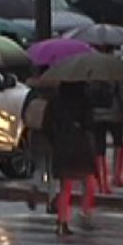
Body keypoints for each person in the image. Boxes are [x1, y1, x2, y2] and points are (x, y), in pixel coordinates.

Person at [44, 81, 98, 236]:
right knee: (88, 180)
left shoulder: (55, 102)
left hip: (62, 146)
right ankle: (85, 212)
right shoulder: (84, 101)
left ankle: (62, 221)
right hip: (81, 147)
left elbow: (46, 125)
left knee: (65, 186)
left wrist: (55, 140)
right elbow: (90, 124)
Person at [86, 47, 123, 194]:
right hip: (114, 113)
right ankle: (117, 176)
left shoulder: (89, 67)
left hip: (96, 114)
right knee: (118, 142)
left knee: (100, 148)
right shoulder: (115, 66)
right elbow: (121, 93)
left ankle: (103, 182)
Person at [21, 68, 56, 213]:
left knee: (40, 167)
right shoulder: (53, 100)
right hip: (50, 137)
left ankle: (34, 186)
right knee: (51, 170)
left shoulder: (32, 98)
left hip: (35, 136)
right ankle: (51, 200)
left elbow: (24, 116)